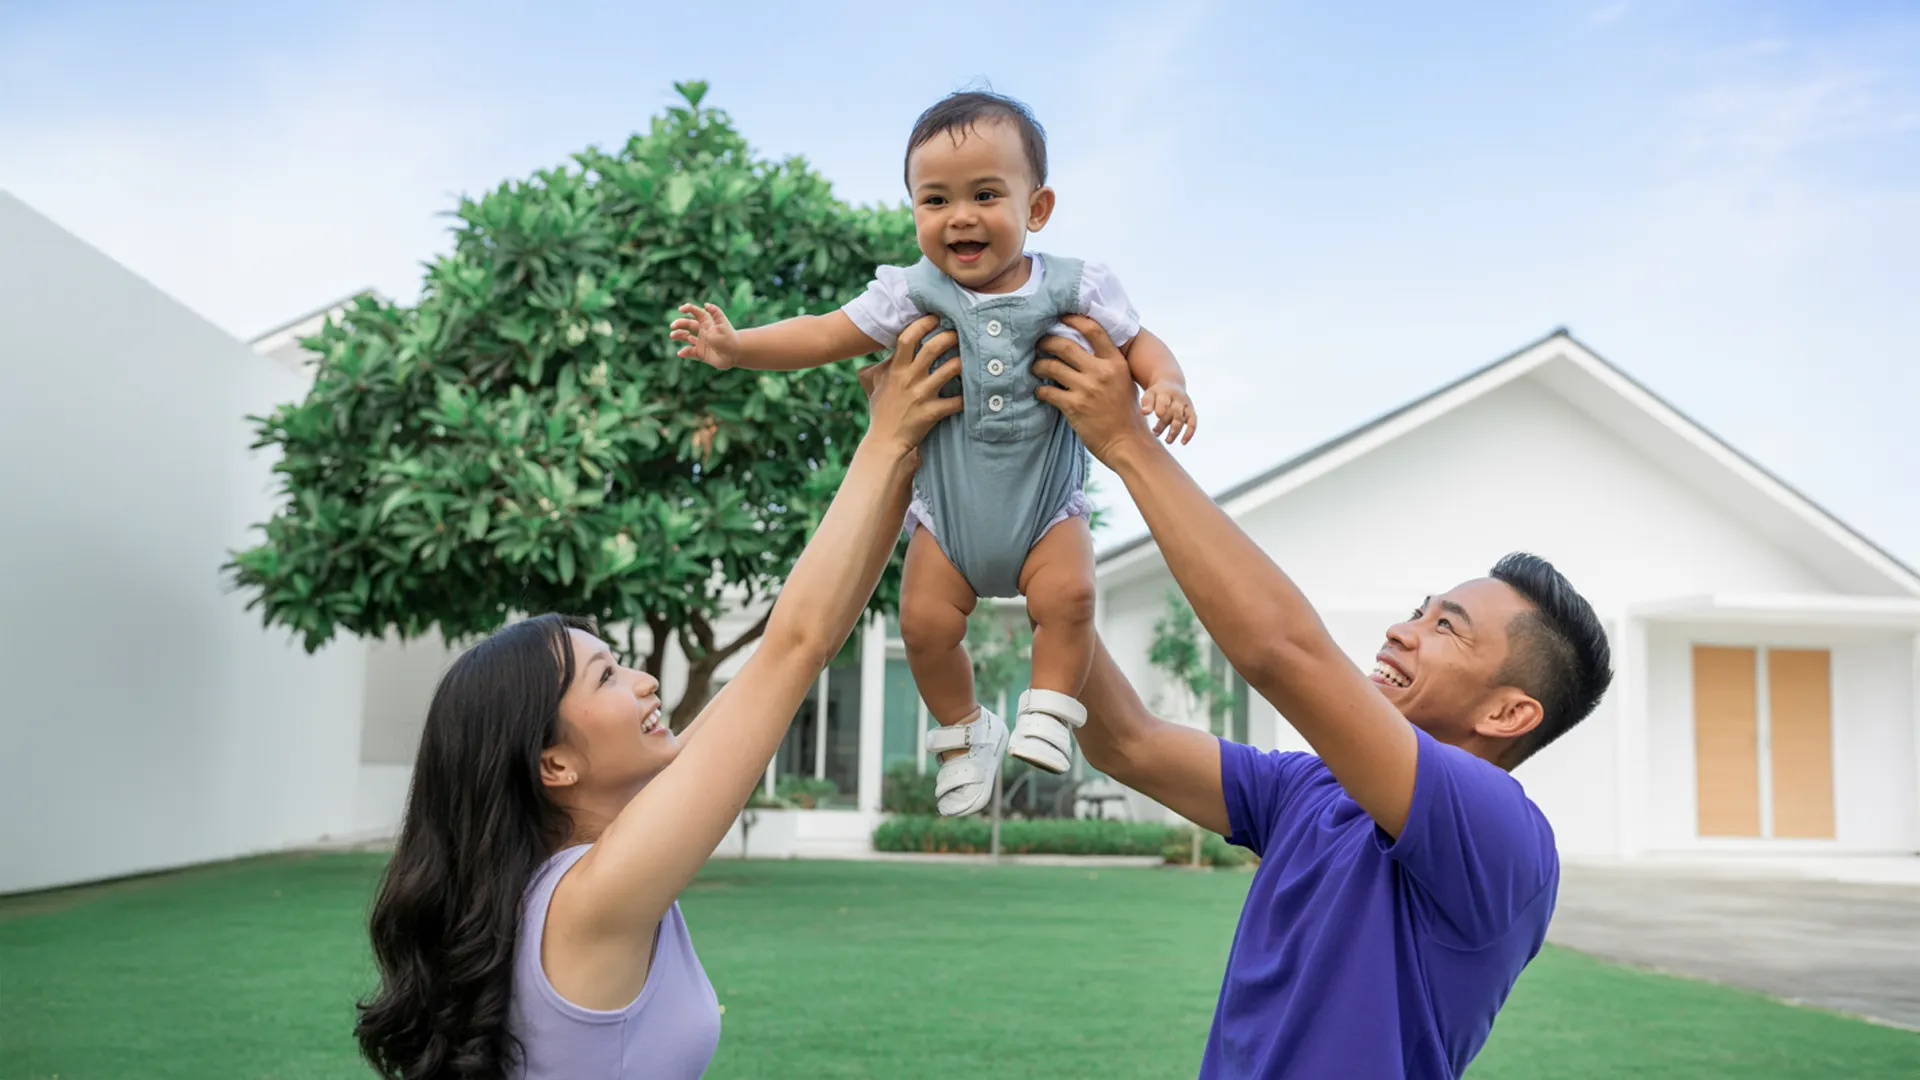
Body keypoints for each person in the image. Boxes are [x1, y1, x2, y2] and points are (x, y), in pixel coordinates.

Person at [351, 317, 963, 1080]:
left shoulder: (565, 885)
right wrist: (886, 437)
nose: (645, 681)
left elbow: (803, 647)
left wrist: (908, 455)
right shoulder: (591, 900)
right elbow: (793, 649)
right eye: (607, 677)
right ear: (554, 764)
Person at [1028, 316, 1614, 1079]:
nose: (1403, 631)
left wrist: (1127, 441)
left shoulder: (1499, 833)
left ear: (1507, 714)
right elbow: (1128, 743)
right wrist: (1050, 588)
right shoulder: (1312, 791)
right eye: (1419, 610)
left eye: (1446, 628)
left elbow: (1283, 654)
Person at [669, 89, 1198, 820]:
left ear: (1037, 208)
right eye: (936, 200)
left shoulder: (1076, 286)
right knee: (921, 624)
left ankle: (1049, 707)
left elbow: (1141, 343)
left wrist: (1166, 382)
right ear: (914, 210)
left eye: (986, 195)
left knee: (1071, 599)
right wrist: (739, 348)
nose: (960, 217)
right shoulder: (910, 294)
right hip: (946, 520)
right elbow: (825, 332)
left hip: (1045, 508)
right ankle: (965, 730)